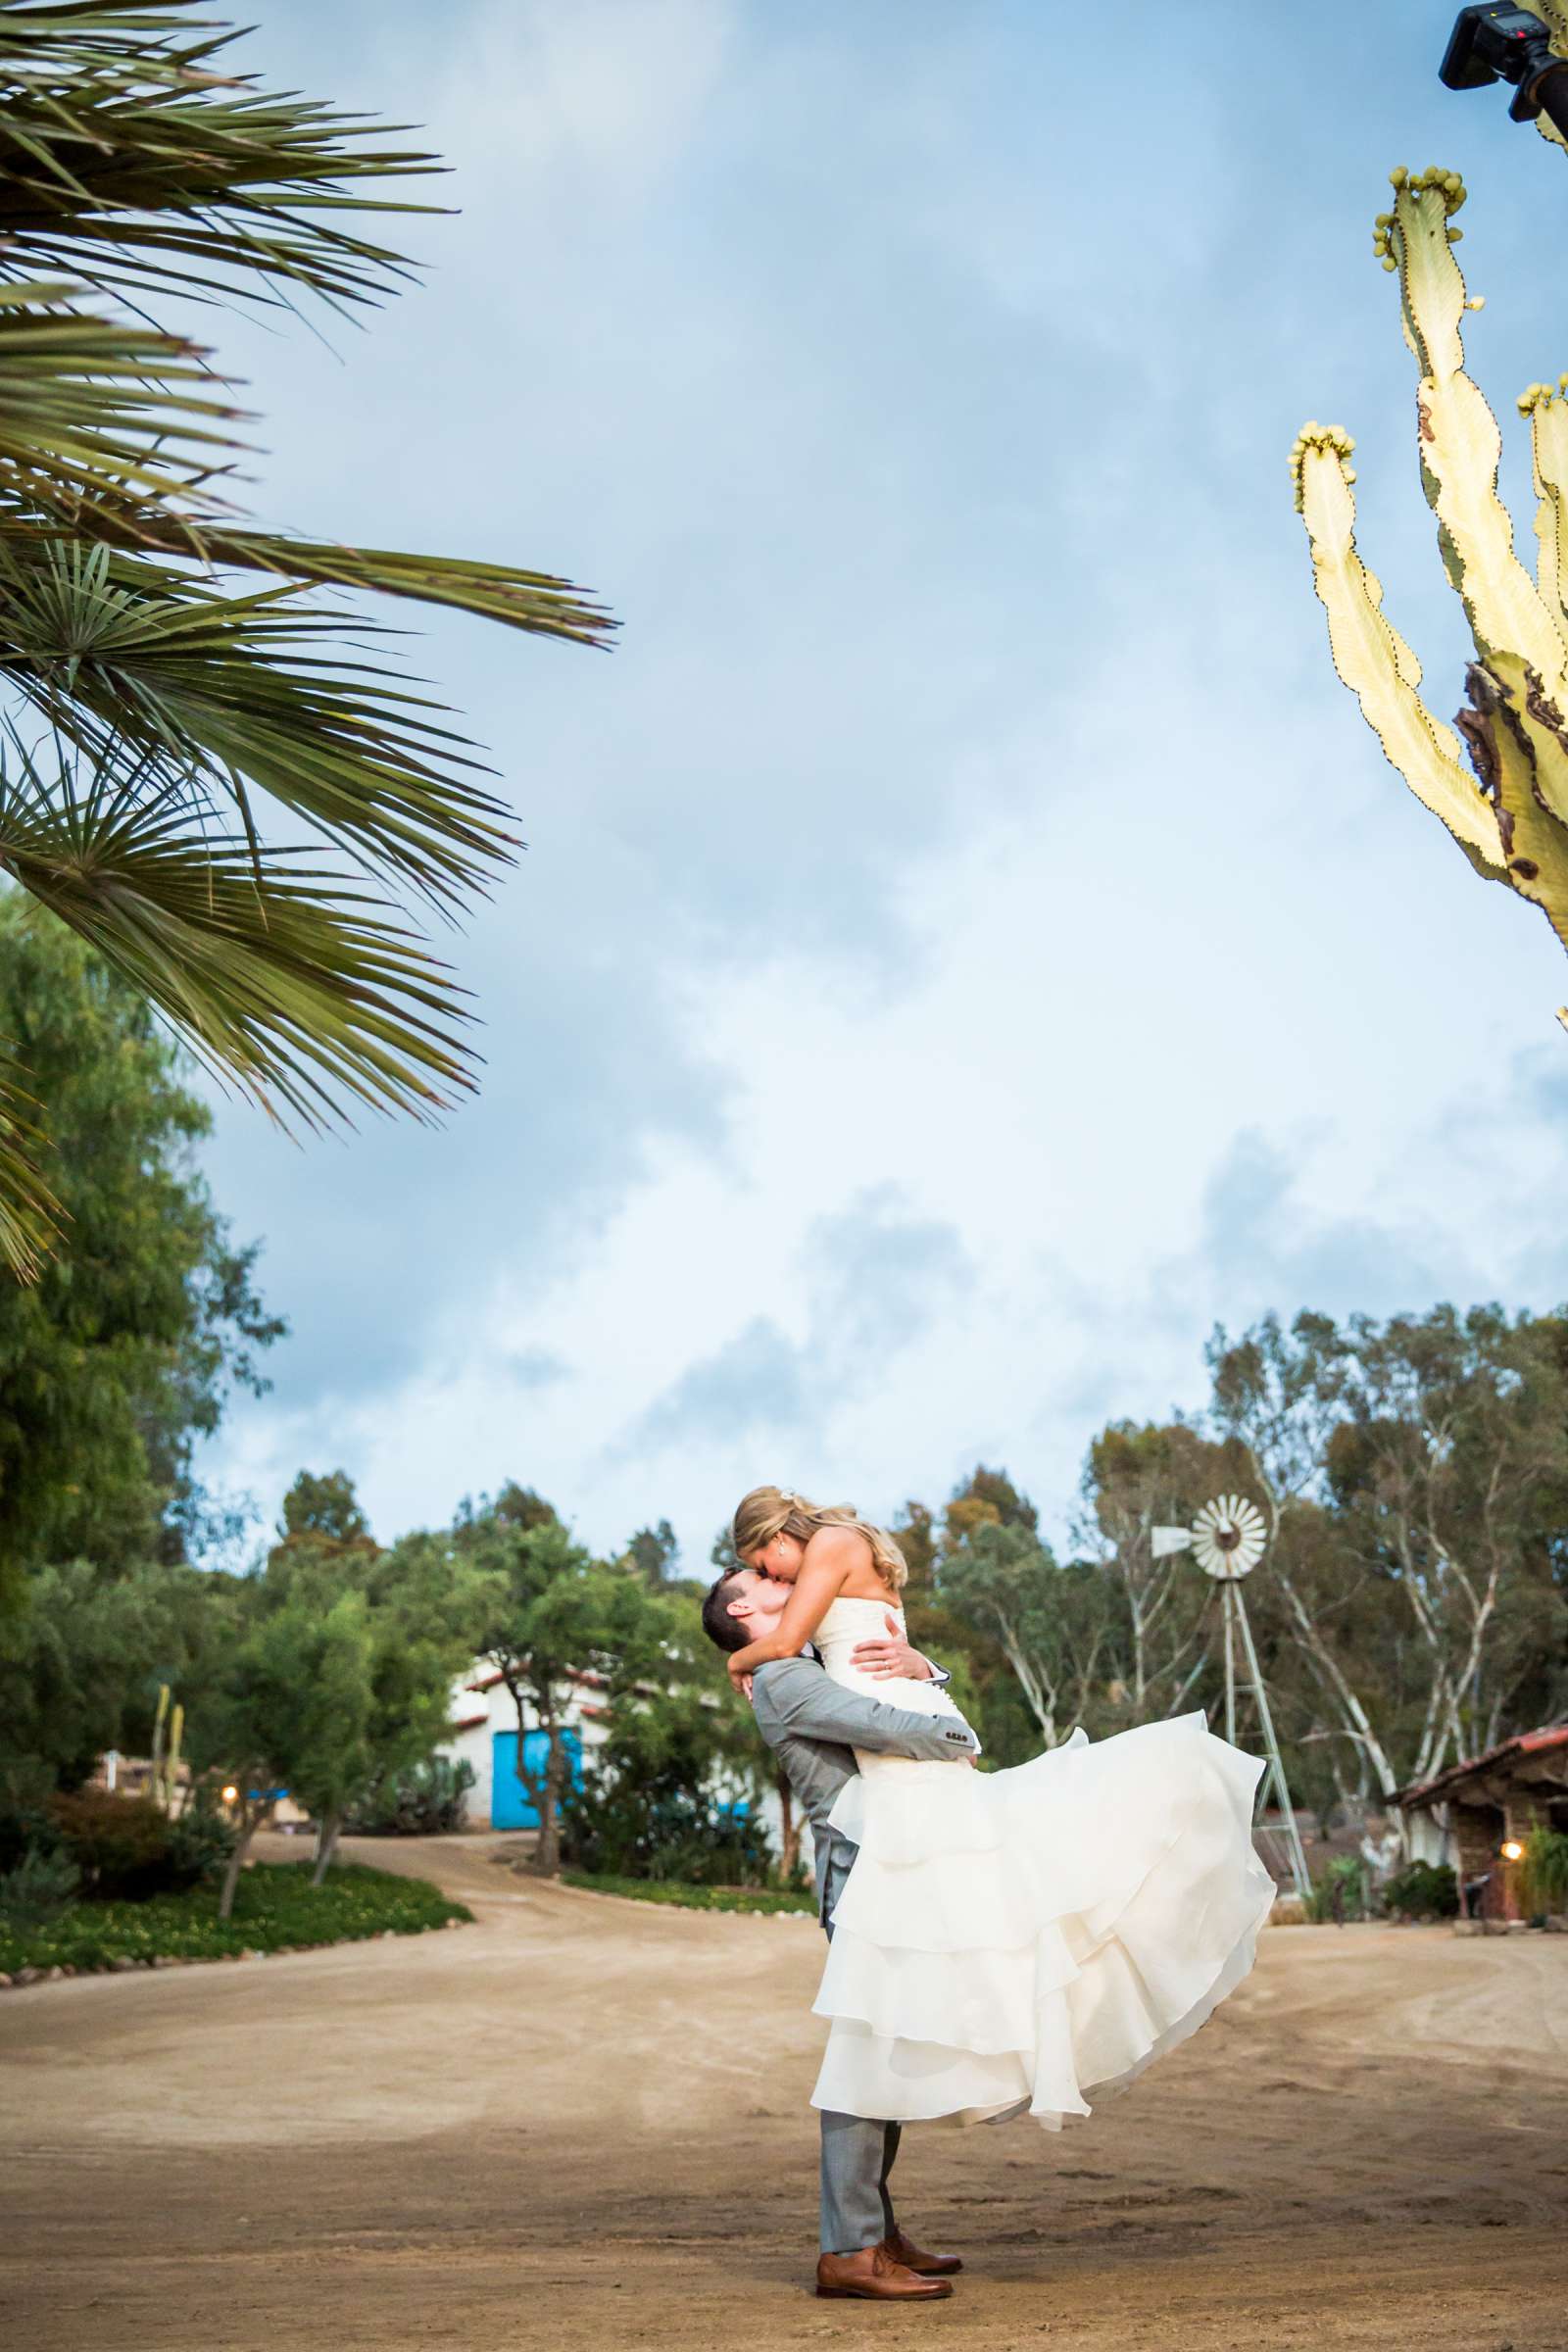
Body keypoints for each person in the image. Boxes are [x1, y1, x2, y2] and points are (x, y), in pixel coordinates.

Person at [717, 1484, 1276, 2142]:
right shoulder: (836, 1555)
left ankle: (877, 2198)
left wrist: (736, 1657)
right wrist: (924, 1664)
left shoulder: (831, 1546)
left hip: (906, 1739)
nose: (770, 1574)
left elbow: (784, 1642)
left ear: (777, 1536)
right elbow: (850, 1643)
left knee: (987, 1891)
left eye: (762, 1562)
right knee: (973, 1903)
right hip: (902, 1729)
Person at [700, 1562, 980, 2304]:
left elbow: (882, 1681)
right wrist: (957, 1731)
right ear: (742, 1605)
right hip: (860, 1882)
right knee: (865, 2055)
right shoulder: (789, 1680)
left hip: (885, 1871)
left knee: (884, 2051)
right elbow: (880, 1723)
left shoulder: (798, 1663)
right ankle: (849, 2248)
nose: (777, 1576)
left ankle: (873, 2231)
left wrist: (928, 1667)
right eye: (757, 1577)